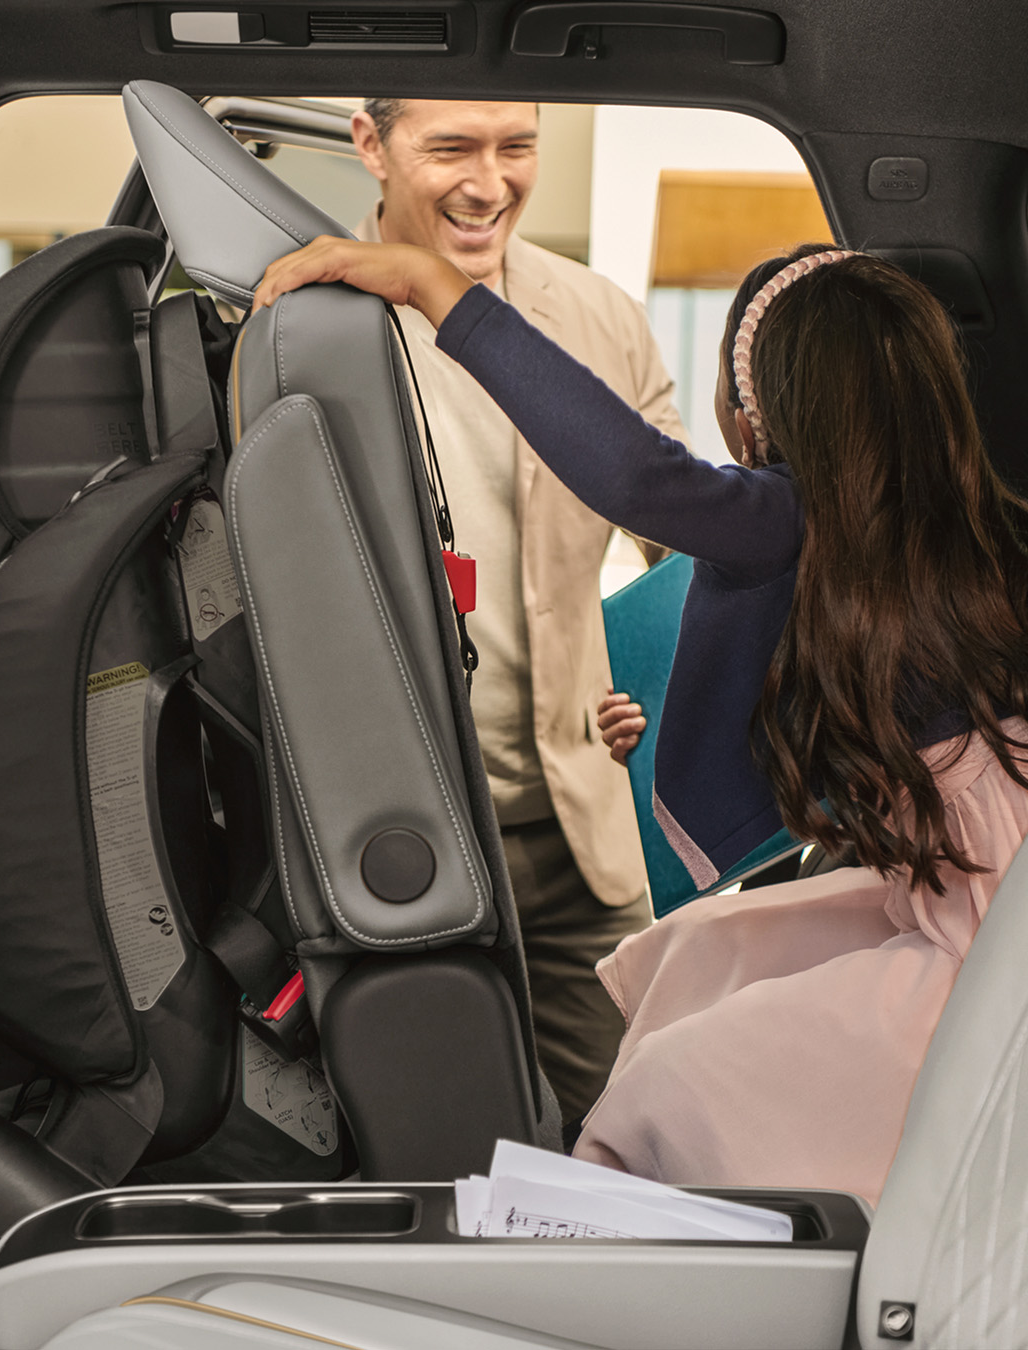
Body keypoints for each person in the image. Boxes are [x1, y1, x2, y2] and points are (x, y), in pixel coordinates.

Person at [254, 237, 1028, 1206]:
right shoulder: (979, 535)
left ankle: (593, 1248)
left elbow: (637, 477)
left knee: (683, 1081)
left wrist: (434, 291)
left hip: (987, 929)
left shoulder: (791, 521)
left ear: (759, 421)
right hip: (952, 889)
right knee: (702, 959)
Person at [344, 98, 688, 1124]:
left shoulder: (599, 318)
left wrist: (654, 696)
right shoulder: (313, 325)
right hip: (402, 840)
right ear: (371, 143)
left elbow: (692, 546)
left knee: (644, 1128)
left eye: (516, 147)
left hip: (581, 831)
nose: (488, 183)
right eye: (450, 148)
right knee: (440, 1142)